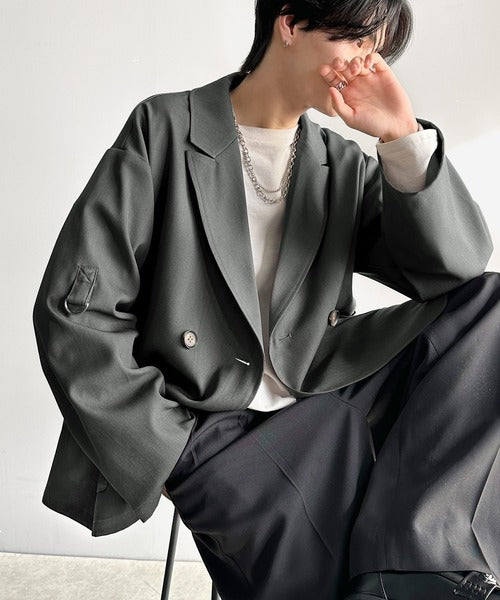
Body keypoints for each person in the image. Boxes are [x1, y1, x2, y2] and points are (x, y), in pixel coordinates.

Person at [32, 1, 499, 599]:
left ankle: (422, 564)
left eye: (376, 51)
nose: (366, 66)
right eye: (356, 41)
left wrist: (401, 137)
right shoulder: (165, 129)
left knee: (491, 305)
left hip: (324, 393)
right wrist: (170, 452)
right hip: (209, 425)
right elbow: (76, 313)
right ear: (291, 21)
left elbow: (456, 269)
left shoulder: (338, 164)